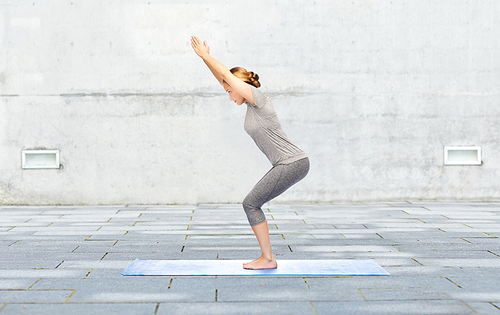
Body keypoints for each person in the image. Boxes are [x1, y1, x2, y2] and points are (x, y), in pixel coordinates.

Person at [191, 36, 309, 270]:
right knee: (252, 203)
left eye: (229, 91)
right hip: (285, 164)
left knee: (251, 203)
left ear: (238, 86)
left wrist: (206, 55)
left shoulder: (260, 101)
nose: (229, 96)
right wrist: (203, 59)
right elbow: (223, 78)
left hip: (293, 162)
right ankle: (266, 257)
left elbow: (227, 76)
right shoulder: (248, 106)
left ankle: (268, 258)